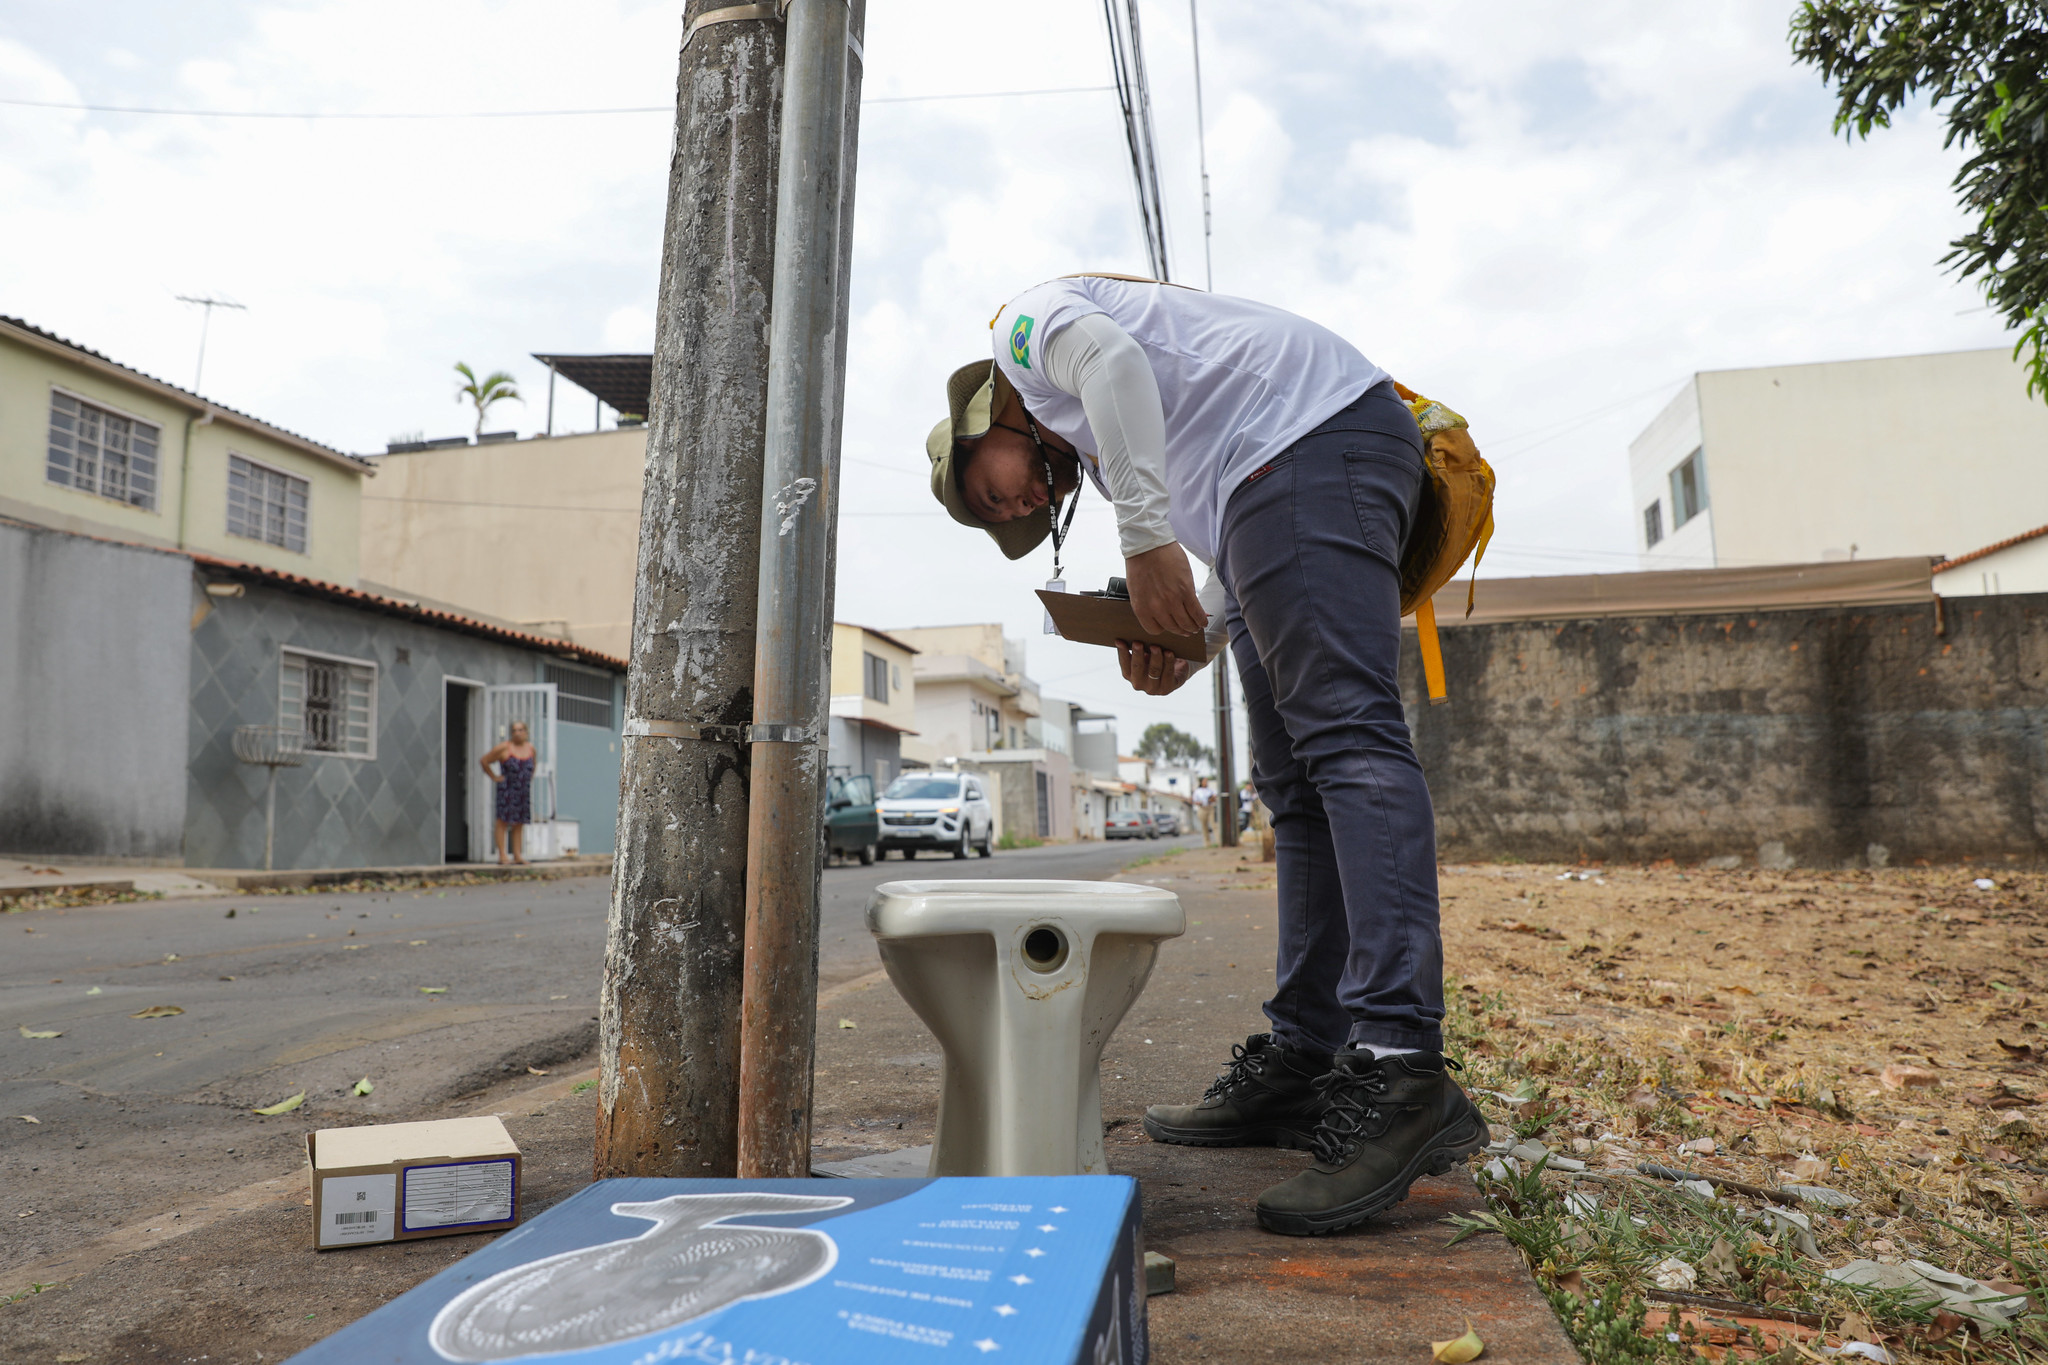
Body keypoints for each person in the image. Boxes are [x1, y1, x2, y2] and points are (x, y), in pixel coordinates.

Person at [924, 275, 1484, 1236]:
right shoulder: (1107, 453)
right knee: (1295, 786)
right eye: (1000, 511)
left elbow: (1117, 361)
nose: (1011, 500)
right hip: (1271, 483)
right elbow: (1234, 543)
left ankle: (1401, 1068)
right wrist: (1194, 639)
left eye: (990, 485)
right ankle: (1307, 1056)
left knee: (1348, 740)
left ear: (987, 418)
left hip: (1310, 443)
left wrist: (1145, 543)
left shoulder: (1030, 331)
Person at [480, 721, 536, 866]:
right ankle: (503, 855)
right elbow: (484, 760)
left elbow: (533, 766)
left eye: (521, 730)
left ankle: (517, 855)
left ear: (526, 732)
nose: (517, 733)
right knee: (503, 821)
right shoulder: (504, 748)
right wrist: (494, 777)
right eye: (514, 730)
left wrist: (527, 779)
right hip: (507, 789)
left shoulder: (531, 749)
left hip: (523, 790)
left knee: (519, 822)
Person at [1192, 779, 1216, 846]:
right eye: (1204, 781)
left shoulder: (1210, 790)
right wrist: (1199, 803)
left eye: (1207, 782)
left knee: (1214, 825)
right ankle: (1207, 843)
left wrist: (1212, 799)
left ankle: (1218, 841)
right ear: (1201, 782)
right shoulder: (1197, 791)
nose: (1206, 783)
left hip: (1210, 808)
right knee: (1204, 826)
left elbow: (1214, 798)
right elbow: (1194, 801)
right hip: (1202, 808)